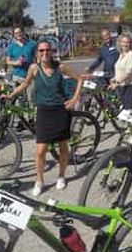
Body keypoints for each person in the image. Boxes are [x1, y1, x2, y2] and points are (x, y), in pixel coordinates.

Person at [6, 40, 84, 197]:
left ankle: (61, 176)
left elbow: (80, 79)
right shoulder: (34, 68)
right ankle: (39, 180)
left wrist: (75, 98)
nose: (44, 53)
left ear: (52, 51)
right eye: (41, 50)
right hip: (43, 111)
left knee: (63, 146)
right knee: (41, 150)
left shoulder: (60, 67)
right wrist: (11, 95)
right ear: (37, 53)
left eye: (47, 50)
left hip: (60, 110)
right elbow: (25, 84)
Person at [110, 33, 132, 110]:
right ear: (120, 43)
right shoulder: (121, 54)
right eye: (123, 42)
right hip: (121, 84)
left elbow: (128, 73)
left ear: (130, 44)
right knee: (121, 106)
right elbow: (119, 70)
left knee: (128, 108)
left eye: (127, 42)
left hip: (129, 85)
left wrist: (117, 83)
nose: (125, 44)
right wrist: (114, 78)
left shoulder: (131, 55)